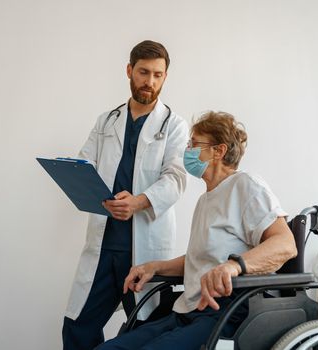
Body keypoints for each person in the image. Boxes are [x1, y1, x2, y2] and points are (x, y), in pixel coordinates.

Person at [95, 111, 298, 350]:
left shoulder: (246, 185)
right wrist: (155, 267)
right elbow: (200, 260)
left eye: (194, 144)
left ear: (218, 151)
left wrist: (234, 266)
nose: (187, 150)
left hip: (225, 311)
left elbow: (286, 244)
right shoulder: (206, 200)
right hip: (187, 310)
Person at [62, 40, 188, 350]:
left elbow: (176, 179)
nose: (150, 82)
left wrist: (139, 202)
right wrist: (92, 190)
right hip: (104, 246)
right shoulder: (107, 121)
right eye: (144, 72)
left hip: (145, 248)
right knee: (77, 328)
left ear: (166, 76)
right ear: (129, 71)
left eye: (158, 75)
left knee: (145, 332)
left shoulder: (174, 125)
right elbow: (84, 164)